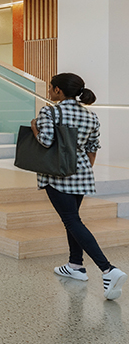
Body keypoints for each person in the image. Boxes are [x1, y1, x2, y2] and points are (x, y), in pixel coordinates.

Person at [33, 73, 127, 300]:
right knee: (72, 218)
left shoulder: (50, 112)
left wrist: (35, 126)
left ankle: (108, 269)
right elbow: (93, 146)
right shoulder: (90, 115)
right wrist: (83, 169)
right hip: (82, 175)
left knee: (71, 220)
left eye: (52, 88)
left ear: (58, 90)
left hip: (57, 176)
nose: (50, 91)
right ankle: (75, 265)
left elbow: (45, 141)